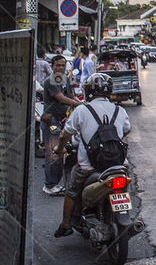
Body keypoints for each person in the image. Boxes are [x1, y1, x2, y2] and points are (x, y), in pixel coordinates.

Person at [54, 73, 131, 239]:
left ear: (88, 90)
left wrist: (59, 149)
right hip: (118, 166)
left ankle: (66, 225)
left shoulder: (82, 110)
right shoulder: (120, 110)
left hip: (89, 168)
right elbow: (126, 129)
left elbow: (64, 135)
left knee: (71, 192)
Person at [41, 55, 80, 194]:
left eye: (63, 65)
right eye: (57, 65)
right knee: (54, 154)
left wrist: (81, 103)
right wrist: (78, 104)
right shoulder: (49, 81)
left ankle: (57, 183)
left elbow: (70, 96)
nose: (60, 68)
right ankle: (50, 185)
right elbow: (61, 98)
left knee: (62, 152)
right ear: (52, 66)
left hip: (63, 120)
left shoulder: (65, 79)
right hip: (51, 121)